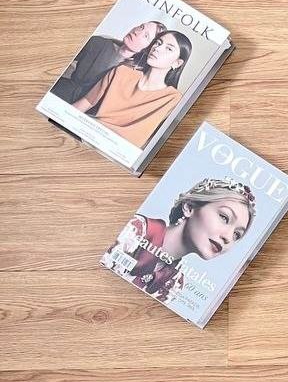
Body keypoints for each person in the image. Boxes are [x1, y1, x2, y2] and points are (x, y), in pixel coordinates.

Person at [101, 178, 256, 304]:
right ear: (189, 207)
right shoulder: (135, 230)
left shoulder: (175, 283)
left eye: (237, 235)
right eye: (224, 217)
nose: (228, 237)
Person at [71, 31, 192, 149]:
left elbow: (156, 141)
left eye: (169, 48)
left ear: (177, 63)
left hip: (120, 151)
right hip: (89, 134)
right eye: (158, 43)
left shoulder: (174, 99)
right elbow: (87, 101)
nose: (157, 48)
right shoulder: (121, 72)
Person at [50, 20, 164, 104]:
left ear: (147, 49)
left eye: (146, 36)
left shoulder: (137, 74)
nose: (137, 32)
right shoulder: (98, 43)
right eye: (141, 27)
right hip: (59, 93)